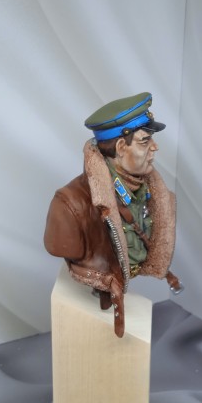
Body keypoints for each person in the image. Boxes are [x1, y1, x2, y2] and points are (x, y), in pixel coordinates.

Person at [44, 92, 182, 338]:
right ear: (120, 147)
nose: (155, 147)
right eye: (145, 141)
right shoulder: (69, 204)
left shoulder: (148, 189)